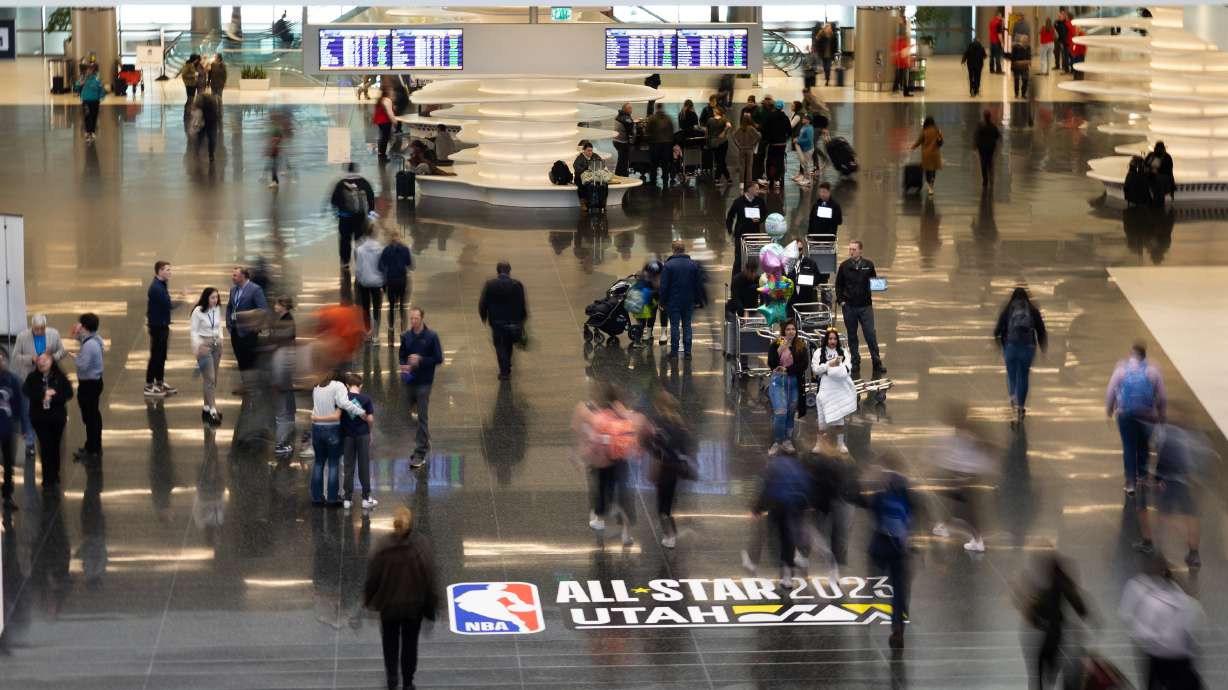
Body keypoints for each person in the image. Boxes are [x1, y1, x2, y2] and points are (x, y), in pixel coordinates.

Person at [364, 506, 439, 690]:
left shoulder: (383, 546)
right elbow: (430, 577)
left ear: (394, 524)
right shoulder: (420, 546)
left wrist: (369, 599)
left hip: (388, 606)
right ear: (411, 525)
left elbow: (373, 576)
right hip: (413, 607)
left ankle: (392, 677)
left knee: (390, 642)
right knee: (410, 644)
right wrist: (431, 606)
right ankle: (407, 682)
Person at [1134, 404, 1213, 567]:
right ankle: (1194, 554)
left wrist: (1153, 478)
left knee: (1165, 516)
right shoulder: (1196, 436)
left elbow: (1160, 457)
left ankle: (1162, 552)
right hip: (1188, 482)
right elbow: (1204, 459)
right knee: (1190, 516)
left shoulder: (1165, 432)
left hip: (1168, 480)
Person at [1119, 556, 1205, 689]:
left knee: (1155, 682)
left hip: (1155, 655)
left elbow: (1130, 621)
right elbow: (1195, 619)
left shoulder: (1139, 588)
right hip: (1177, 657)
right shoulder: (1179, 596)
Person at [855, 455, 914, 649]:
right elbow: (914, 513)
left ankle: (867, 601)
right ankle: (898, 626)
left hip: (880, 545)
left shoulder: (881, 487)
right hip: (900, 547)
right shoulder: (905, 487)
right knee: (899, 588)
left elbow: (867, 505)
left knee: (874, 577)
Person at [574, 385, 642, 545]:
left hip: (605, 463)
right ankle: (626, 533)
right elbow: (635, 437)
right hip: (622, 462)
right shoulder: (626, 415)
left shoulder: (601, 417)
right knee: (625, 497)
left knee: (605, 493)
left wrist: (584, 457)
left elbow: (594, 441)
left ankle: (601, 516)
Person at [1019, 553, 1090, 690]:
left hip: (1047, 635)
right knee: (1059, 672)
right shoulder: (1062, 583)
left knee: (1040, 674)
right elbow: (1080, 608)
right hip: (1057, 635)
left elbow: (1034, 613)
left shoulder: (1045, 587)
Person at [1106, 341, 1167, 495]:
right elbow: (1162, 397)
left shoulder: (1121, 370)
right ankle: (1143, 477)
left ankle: (1130, 483)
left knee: (1129, 447)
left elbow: (1110, 391)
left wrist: (1109, 410)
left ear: (1131, 355)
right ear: (1144, 356)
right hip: (1147, 416)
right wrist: (1161, 415)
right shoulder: (1153, 371)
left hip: (1125, 415)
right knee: (1143, 445)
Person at [747, 453, 811, 583]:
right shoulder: (797, 465)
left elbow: (768, 490)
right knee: (794, 533)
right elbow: (807, 483)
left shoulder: (774, 465)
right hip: (798, 504)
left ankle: (788, 567)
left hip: (780, 505)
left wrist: (757, 509)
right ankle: (795, 561)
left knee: (779, 537)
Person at [644, 390, 696, 549]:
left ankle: (670, 535)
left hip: (663, 468)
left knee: (662, 507)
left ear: (658, 405)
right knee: (668, 502)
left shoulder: (656, 423)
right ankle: (671, 532)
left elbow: (651, 445)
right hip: (676, 469)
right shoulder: (679, 423)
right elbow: (686, 447)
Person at [12, 314, 67, 460]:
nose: (39, 331)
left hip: (49, 378)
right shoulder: (22, 337)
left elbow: (62, 351)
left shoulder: (54, 334)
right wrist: (31, 359)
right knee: (28, 410)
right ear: (32, 327)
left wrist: (51, 358)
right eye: (36, 329)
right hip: (31, 379)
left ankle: (49, 437)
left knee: (49, 408)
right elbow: (15, 357)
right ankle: (30, 442)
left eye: (42, 328)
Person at [310, 372, 365, 505]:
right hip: (332, 429)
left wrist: (316, 418)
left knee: (319, 463)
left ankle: (317, 498)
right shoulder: (338, 386)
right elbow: (343, 403)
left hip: (317, 428)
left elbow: (314, 410)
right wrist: (360, 411)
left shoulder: (316, 386)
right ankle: (332, 498)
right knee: (333, 464)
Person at [994, 287, 1047, 422]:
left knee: (1011, 375)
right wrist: (1043, 349)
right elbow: (1041, 330)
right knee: (1023, 376)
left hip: (1010, 347)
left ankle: (1013, 398)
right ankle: (1021, 407)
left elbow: (997, 331)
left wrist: (999, 344)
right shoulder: (1033, 310)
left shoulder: (1008, 309)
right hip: (1028, 348)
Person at [399, 308, 443, 468]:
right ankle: (424, 437)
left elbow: (438, 358)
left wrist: (421, 360)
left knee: (422, 416)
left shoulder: (431, 337)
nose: (413, 321)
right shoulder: (406, 336)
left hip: (424, 382)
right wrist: (404, 365)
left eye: (416, 318)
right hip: (410, 380)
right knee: (409, 415)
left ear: (422, 318)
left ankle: (420, 452)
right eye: (411, 318)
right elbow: (402, 355)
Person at [23, 353, 73, 492]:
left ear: (51, 361)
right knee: (45, 446)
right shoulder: (32, 378)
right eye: (39, 360)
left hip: (56, 418)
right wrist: (42, 395)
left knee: (55, 445)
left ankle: (55, 472)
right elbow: (26, 391)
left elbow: (69, 393)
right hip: (40, 418)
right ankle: (47, 477)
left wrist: (54, 395)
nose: (42, 363)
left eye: (45, 360)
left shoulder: (60, 377)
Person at [835, 240, 884, 378]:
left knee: (870, 334)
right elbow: (839, 285)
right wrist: (841, 301)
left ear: (860, 250)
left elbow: (874, 281)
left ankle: (876, 361)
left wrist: (879, 285)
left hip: (865, 306)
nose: (851, 252)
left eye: (854, 249)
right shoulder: (844, 266)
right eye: (850, 249)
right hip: (849, 307)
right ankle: (855, 361)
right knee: (852, 335)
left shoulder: (868, 265)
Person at [478, 261, 528, 381]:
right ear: (509, 271)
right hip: (513, 321)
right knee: (509, 344)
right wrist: (522, 319)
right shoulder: (517, 285)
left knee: (500, 346)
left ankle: (504, 371)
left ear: (498, 271)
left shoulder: (490, 285)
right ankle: (507, 364)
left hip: (497, 322)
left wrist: (483, 315)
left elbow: (483, 302)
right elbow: (522, 303)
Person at [767, 320, 809, 455]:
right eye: (788, 329)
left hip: (794, 382)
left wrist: (788, 369)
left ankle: (787, 440)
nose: (791, 332)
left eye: (793, 329)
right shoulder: (776, 344)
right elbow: (771, 363)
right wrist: (780, 349)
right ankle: (777, 441)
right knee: (780, 412)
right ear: (783, 331)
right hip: (778, 382)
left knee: (790, 412)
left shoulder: (800, 345)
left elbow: (804, 364)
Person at [811, 327, 857, 453]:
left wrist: (834, 370)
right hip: (824, 388)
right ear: (826, 339)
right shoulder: (818, 352)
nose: (832, 341)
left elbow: (847, 369)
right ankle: (819, 444)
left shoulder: (844, 352)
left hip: (839, 388)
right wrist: (829, 365)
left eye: (835, 339)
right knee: (821, 419)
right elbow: (815, 370)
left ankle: (840, 444)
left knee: (839, 417)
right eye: (830, 338)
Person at [658, 240, 706, 359]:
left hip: (673, 301)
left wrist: (662, 302)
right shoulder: (693, 265)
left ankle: (674, 352)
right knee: (687, 326)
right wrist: (698, 300)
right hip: (688, 301)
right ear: (684, 250)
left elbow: (664, 286)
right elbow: (698, 285)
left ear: (673, 250)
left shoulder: (668, 265)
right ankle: (688, 352)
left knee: (674, 326)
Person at [70, 313, 105, 462]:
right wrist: (77, 334)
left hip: (88, 385)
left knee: (90, 419)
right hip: (95, 382)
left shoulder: (89, 346)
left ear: (85, 327)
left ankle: (92, 450)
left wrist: (75, 357)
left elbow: (82, 365)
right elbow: (84, 340)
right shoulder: (96, 338)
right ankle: (94, 445)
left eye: (81, 325)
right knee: (94, 416)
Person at [340, 372, 377, 511]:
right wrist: (370, 431)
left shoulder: (343, 399)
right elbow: (370, 419)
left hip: (347, 436)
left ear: (347, 385)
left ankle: (347, 499)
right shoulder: (366, 399)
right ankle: (366, 498)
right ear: (360, 385)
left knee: (348, 467)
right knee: (364, 466)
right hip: (362, 435)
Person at [330, 163, 376, 268]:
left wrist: (338, 212)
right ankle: (359, 260)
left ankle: (345, 262)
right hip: (360, 217)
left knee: (345, 240)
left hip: (344, 218)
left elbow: (333, 201)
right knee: (359, 239)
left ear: (347, 170)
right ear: (357, 170)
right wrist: (370, 215)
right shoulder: (364, 182)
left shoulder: (341, 184)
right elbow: (371, 200)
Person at [190, 288, 224, 426]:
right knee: (209, 378)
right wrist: (199, 346)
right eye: (212, 298)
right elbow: (193, 331)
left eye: (216, 297)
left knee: (213, 379)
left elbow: (219, 326)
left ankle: (206, 408)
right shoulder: (198, 312)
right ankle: (213, 410)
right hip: (204, 346)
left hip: (217, 345)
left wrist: (221, 339)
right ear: (206, 298)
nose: (215, 300)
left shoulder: (216, 309)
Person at [226, 266, 269, 373]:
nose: (232, 277)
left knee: (249, 362)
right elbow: (230, 307)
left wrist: (243, 316)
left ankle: (250, 381)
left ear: (243, 276)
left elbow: (263, 310)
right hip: (235, 331)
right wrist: (229, 325)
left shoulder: (255, 289)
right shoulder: (233, 290)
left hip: (249, 332)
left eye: (235, 275)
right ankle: (245, 380)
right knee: (240, 361)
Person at [145, 261, 178, 398]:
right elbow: (168, 305)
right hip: (157, 326)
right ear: (159, 271)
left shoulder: (162, 284)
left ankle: (159, 382)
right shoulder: (156, 288)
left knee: (161, 355)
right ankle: (149, 385)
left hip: (162, 325)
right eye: (167, 270)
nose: (170, 272)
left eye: (170, 269)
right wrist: (181, 298)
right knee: (156, 355)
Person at [726, 180, 767, 278]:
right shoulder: (738, 202)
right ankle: (735, 280)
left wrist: (760, 219)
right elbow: (730, 216)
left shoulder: (760, 201)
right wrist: (730, 230)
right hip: (741, 235)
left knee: (752, 258)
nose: (758, 191)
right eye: (756, 189)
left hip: (754, 235)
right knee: (739, 259)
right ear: (750, 189)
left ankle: (753, 279)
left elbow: (764, 213)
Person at [378, 229, 414, 335]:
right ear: (399, 238)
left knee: (392, 306)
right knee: (402, 306)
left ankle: (391, 327)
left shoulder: (386, 250)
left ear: (390, 238)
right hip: (402, 281)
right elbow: (410, 264)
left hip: (391, 281)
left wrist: (386, 271)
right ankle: (403, 329)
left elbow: (380, 266)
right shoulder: (405, 249)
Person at [354, 226, 386, 339]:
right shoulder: (381, 249)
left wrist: (359, 280)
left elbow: (358, 268)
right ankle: (376, 334)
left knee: (366, 308)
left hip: (364, 282)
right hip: (377, 283)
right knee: (377, 308)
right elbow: (383, 267)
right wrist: (384, 281)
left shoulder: (360, 250)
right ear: (376, 235)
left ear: (366, 234)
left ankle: (367, 331)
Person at [0, 347, 20, 509]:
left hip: (7, 429)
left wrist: (19, 426)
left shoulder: (12, 380)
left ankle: (8, 495)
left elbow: (18, 404)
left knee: (8, 463)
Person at [762, 100, 793, 190]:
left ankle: (770, 179)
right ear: (782, 107)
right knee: (780, 161)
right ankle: (778, 180)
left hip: (772, 143)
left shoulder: (770, 116)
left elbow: (764, 129)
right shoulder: (785, 117)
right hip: (782, 144)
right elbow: (789, 131)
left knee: (771, 161)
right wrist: (785, 139)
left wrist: (767, 139)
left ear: (775, 107)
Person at [911, 116, 944, 196]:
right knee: (933, 170)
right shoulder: (937, 130)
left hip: (926, 154)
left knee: (928, 171)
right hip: (935, 154)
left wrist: (912, 147)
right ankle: (931, 186)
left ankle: (929, 186)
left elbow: (919, 141)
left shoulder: (924, 131)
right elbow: (941, 141)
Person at [645, 103, 675, 186]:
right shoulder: (668, 118)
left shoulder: (652, 118)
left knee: (654, 164)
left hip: (655, 144)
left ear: (656, 108)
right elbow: (672, 131)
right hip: (666, 145)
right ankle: (665, 179)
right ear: (662, 108)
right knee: (665, 164)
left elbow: (647, 131)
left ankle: (653, 181)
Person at [730, 113, 762, 190]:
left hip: (741, 149)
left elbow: (733, 136)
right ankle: (748, 183)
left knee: (742, 167)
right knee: (749, 167)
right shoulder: (751, 128)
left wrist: (738, 145)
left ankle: (741, 184)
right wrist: (753, 143)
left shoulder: (740, 128)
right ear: (749, 120)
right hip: (749, 149)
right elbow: (759, 136)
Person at [573, 140, 605, 210]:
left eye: (591, 150)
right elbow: (576, 168)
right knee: (581, 185)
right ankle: (583, 203)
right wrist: (587, 169)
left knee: (602, 184)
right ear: (584, 150)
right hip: (581, 177)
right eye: (588, 151)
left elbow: (601, 163)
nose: (590, 152)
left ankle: (600, 202)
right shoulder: (580, 158)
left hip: (593, 176)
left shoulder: (595, 156)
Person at [973, 110, 1002, 189]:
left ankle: (985, 179)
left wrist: (975, 145)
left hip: (982, 148)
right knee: (989, 162)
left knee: (983, 163)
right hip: (990, 148)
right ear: (989, 117)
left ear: (984, 117)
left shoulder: (980, 126)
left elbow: (976, 136)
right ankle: (990, 178)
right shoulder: (993, 126)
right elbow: (998, 136)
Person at [705, 105, 732, 185]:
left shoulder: (712, 120)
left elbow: (706, 132)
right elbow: (729, 126)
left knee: (719, 161)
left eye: (714, 110)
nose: (713, 111)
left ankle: (718, 179)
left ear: (717, 111)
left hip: (715, 143)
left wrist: (708, 141)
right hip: (721, 142)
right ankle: (727, 178)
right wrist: (724, 132)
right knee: (721, 161)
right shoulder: (722, 119)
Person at [78, 64, 104, 144]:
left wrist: (101, 96)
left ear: (94, 71)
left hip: (95, 101)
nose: (88, 71)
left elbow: (101, 89)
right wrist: (80, 84)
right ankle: (88, 132)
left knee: (94, 116)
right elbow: (77, 86)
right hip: (86, 101)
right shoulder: (84, 78)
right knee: (87, 116)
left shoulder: (97, 80)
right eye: (88, 69)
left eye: (91, 70)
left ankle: (92, 132)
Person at [1146, 141, 1176, 208]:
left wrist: (1157, 171)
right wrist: (1150, 169)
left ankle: (1157, 201)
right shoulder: (1151, 155)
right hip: (1152, 176)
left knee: (1160, 180)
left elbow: (1168, 170)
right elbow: (1146, 164)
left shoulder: (1166, 157)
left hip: (1162, 178)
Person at [194, 91, 219, 161]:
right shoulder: (214, 100)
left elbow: (196, 109)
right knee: (212, 137)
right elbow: (217, 112)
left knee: (200, 136)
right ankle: (211, 154)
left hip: (203, 120)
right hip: (212, 120)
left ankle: (197, 151)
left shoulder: (200, 99)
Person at [613, 102, 635, 177]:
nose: (631, 110)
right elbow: (631, 131)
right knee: (623, 160)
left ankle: (619, 173)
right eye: (630, 108)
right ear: (625, 109)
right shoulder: (626, 118)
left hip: (616, 140)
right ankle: (622, 175)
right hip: (622, 142)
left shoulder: (619, 115)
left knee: (621, 159)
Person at [373, 88, 395, 160]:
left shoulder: (380, 100)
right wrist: (394, 121)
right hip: (386, 121)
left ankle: (380, 152)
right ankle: (382, 155)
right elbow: (390, 112)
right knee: (385, 138)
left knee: (382, 137)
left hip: (380, 121)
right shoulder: (387, 100)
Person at [793, 115, 815, 185]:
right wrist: (797, 138)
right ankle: (805, 178)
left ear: (808, 120)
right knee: (804, 164)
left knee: (806, 164)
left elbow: (808, 140)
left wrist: (798, 141)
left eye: (804, 118)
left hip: (808, 149)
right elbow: (801, 136)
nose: (802, 119)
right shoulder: (804, 127)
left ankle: (808, 180)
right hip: (803, 149)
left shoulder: (809, 128)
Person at [1011, 34, 1033, 98]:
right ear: (1021, 40)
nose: (1026, 41)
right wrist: (1024, 62)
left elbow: (1029, 58)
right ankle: (1016, 94)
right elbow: (1013, 59)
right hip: (1016, 68)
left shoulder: (1028, 47)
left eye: (1027, 40)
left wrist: (1027, 62)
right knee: (1016, 80)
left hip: (1025, 67)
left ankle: (1023, 94)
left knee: (1025, 80)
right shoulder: (1015, 47)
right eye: (1024, 40)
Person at [892, 31, 913, 97]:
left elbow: (897, 52)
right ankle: (904, 92)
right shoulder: (902, 42)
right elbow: (903, 53)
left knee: (899, 77)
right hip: (902, 63)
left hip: (900, 63)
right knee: (904, 78)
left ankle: (896, 90)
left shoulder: (896, 42)